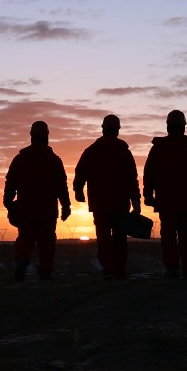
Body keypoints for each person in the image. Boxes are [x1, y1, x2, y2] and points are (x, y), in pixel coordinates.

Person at [142, 110, 187, 279]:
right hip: (186, 203)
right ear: (183, 127)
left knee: (168, 237)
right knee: (186, 236)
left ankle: (172, 268)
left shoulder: (158, 149)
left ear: (168, 126)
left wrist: (148, 195)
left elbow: (148, 174)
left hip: (166, 203)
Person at [73, 114, 141, 280]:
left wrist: (78, 191)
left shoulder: (91, 151)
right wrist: (136, 200)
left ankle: (109, 269)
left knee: (103, 238)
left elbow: (80, 173)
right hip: (120, 204)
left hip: (100, 204)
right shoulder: (124, 153)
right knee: (119, 238)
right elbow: (132, 178)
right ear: (117, 130)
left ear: (103, 129)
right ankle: (118, 270)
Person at [3, 120, 72, 282]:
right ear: (46, 136)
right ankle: (45, 273)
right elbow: (61, 185)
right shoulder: (54, 160)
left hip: (26, 210)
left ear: (31, 136)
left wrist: (8, 203)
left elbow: (10, 182)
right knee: (47, 243)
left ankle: (22, 259)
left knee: (25, 239)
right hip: (47, 211)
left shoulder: (20, 159)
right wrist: (66, 205)